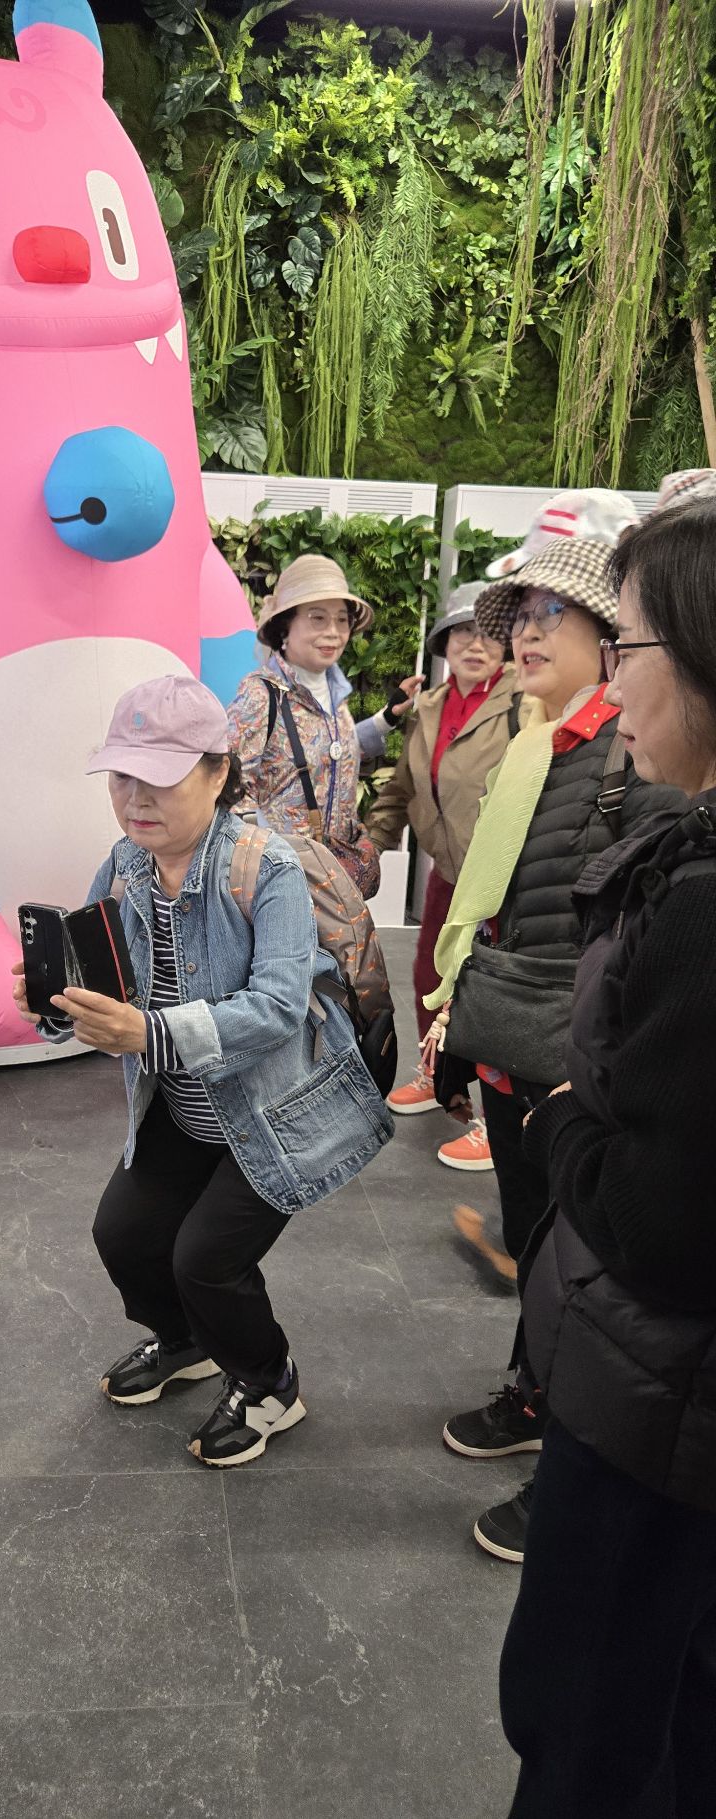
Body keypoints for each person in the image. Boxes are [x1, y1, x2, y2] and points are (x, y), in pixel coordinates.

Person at [11, 673, 393, 1468]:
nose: (135, 798)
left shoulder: (266, 867)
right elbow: (100, 981)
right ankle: (186, 1342)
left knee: (206, 1260)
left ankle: (269, 1382)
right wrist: (53, 1005)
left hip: (274, 1116)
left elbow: (279, 1006)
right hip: (182, 1109)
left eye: (159, 776)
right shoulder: (125, 865)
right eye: (122, 776)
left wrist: (148, 1031)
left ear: (219, 773)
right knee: (122, 1234)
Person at [499, 497, 716, 1818]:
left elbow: (660, 1220)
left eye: (623, 643)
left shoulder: (697, 899)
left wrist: (566, 1109)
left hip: (658, 1405)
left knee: (591, 1726)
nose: (614, 679)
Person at [424, 493, 682, 1557]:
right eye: (518, 616)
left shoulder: (635, 751)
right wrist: (461, 1006)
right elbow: (505, 900)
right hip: (513, 1029)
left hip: (572, 1049)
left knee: (574, 1260)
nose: (525, 634)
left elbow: (626, 928)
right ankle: (534, 1391)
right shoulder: (533, 741)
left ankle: (566, 1442)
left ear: (615, 639)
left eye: (551, 616)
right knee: (533, 1233)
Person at [365, 581, 524, 1177]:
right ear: (443, 643)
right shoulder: (429, 707)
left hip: (504, 879)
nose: (474, 644)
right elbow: (403, 788)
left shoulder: (525, 702)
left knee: (490, 995)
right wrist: (367, 851)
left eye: (488, 634)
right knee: (430, 977)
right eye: (462, 633)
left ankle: (497, 1120)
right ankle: (438, 1077)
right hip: (449, 872)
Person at [226, 553, 422, 897]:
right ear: (285, 626)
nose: (333, 632)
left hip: (334, 880)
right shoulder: (262, 695)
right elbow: (227, 787)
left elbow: (331, 753)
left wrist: (386, 718)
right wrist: (259, 864)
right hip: (281, 885)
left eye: (342, 620)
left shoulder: (335, 694)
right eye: (317, 618)